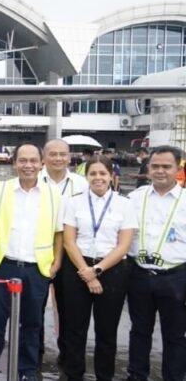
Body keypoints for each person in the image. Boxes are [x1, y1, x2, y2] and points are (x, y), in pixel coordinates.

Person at [0, 142, 64, 381]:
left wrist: (55, 265)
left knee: (32, 325)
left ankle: (27, 371)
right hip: (4, 265)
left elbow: (58, 233)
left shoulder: (53, 194)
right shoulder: (1, 190)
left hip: (37, 269)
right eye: (23, 160)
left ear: (41, 164)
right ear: (14, 163)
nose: (28, 165)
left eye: (34, 160)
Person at [60, 155, 134, 381]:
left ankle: (104, 376)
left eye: (103, 173)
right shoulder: (74, 202)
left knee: (107, 331)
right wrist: (86, 272)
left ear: (111, 176)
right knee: (74, 329)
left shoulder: (125, 204)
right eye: (93, 174)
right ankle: (73, 375)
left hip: (111, 270)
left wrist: (97, 271)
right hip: (77, 267)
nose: (98, 178)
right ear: (86, 176)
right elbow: (69, 241)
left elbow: (124, 245)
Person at [126, 145, 186, 381]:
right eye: (155, 166)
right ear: (148, 168)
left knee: (175, 335)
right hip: (139, 274)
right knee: (139, 331)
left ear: (177, 168)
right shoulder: (134, 198)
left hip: (176, 276)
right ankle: (137, 375)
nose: (160, 171)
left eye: (166, 166)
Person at [38, 138, 88, 363]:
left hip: (71, 252)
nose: (58, 158)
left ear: (69, 157)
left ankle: (68, 354)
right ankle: (34, 350)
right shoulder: (34, 180)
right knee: (35, 306)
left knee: (69, 307)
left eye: (62, 154)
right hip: (39, 251)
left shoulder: (81, 184)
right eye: (53, 154)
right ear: (44, 157)